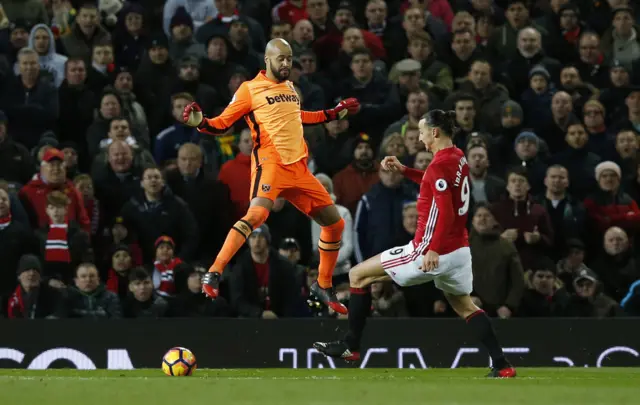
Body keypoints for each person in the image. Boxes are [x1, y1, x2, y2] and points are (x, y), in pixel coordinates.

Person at [313, 109, 516, 378]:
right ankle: (501, 363)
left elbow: (444, 209)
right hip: (458, 251)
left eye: (421, 132)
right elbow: (435, 183)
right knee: (466, 306)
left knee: (357, 275)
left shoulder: (439, 164)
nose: (419, 138)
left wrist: (432, 248)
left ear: (434, 132)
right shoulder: (457, 157)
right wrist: (404, 170)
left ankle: (351, 346)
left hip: (430, 249)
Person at [182, 38, 360, 314]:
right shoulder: (249, 89)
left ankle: (322, 286)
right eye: (282, 59)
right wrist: (201, 123)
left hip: (299, 167)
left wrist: (331, 114)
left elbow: (296, 116)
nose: (287, 64)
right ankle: (215, 272)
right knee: (256, 217)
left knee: (334, 225)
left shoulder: (290, 87)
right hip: (271, 163)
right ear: (267, 60)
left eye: (290, 59)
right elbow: (222, 124)